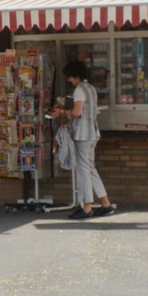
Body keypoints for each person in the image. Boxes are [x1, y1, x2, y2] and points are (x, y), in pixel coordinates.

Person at [49, 60, 114, 219]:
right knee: (90, 168)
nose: (69, 80)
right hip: (92, 133)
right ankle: (105, 204)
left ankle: (86, 207)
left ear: (75, 75)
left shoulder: (79, 90)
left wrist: (60, 113)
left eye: (69, 77)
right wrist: (65, 108)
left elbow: (77, 113)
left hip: (82, 135)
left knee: (83, 170)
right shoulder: (90, 88)